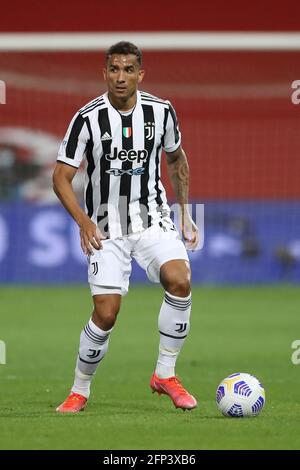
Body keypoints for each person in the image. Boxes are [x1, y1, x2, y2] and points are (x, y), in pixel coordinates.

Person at [53, 41, 199, 413]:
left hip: (152, 219)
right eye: (114, 70)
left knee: (180, 279)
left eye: (128, 70)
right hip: (106, 227)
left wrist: (184, 211)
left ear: (140, 74)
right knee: (106, 313)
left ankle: (165, 374)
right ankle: (79, 389)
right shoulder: (87, 118)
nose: (121, 77)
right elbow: (60, 177)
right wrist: (83, 221)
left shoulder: (161, 111)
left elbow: (176, 159)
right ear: (104, 73)